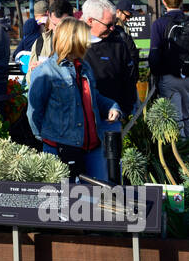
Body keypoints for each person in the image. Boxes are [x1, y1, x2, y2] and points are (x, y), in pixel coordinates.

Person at [27, 18, 122, 179]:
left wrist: (112, 106)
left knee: (97, 198)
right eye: (85, 39)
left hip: (93, 147)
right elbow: (34, 112)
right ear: (73, 41)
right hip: (60, 149)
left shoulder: (84, 67)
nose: (89, 43)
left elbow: (93, 96)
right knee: (66, 201)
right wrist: (47, 138)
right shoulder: (45, 72)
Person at [148, 0, 189, 140]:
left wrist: (157, 74)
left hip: (169, 77)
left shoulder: (159, 24)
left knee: (175, 119)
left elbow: (154, 54)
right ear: (181, 1)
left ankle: (179, 156)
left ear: (163, 2)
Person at [83, 0, 139, 119]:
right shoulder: (75, 44)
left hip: (114, 116)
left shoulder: (119, 43)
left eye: (114, 23)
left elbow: (129, 77)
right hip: (84, 118)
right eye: (108, 25)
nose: (112, 28)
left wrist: (126, 109)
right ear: (90, 21)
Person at [29, 0, 74, 70]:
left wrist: (46, 68)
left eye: (62, 26)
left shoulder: (80, 43)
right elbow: (29, 77)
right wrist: (36, 71)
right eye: (54, 24)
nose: (57, 30)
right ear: (48, 17)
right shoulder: (40, 43)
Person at [111, 0, 143, 90]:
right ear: (118, 12)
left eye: (131, 16)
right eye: (128, 16)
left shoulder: (124, 28)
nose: (128, 19)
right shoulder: (113, 29)